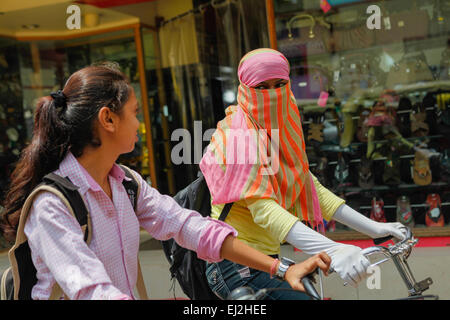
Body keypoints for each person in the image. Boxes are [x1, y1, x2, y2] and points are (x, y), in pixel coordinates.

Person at [0, 63, 331, 300]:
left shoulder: (125, 184)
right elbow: (90, 289)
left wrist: (281, 267)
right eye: (135, 112)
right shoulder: (52, 206)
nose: (140, 123)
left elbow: (190, 227)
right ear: (108, 119)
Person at [199, 48, 408, 300]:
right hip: (234, 265)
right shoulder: (237, 135)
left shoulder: (285, 119)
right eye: (262, 87)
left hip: (269, 257)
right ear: (245, 88)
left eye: (279, 84)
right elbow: (264, 209)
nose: (273, 94)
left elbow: (308, 185)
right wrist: (335, 249)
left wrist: (374, 228)